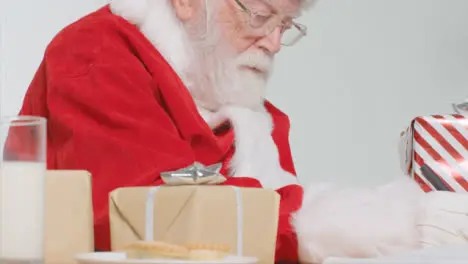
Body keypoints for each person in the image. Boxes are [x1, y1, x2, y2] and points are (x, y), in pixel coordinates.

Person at [11, 0, 468, 263]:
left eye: (284, 25)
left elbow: (263, 237)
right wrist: (377, 223)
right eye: (259, 15)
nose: (272, 43)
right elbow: (142, 227)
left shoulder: (249, 114)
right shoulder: (95, 56)